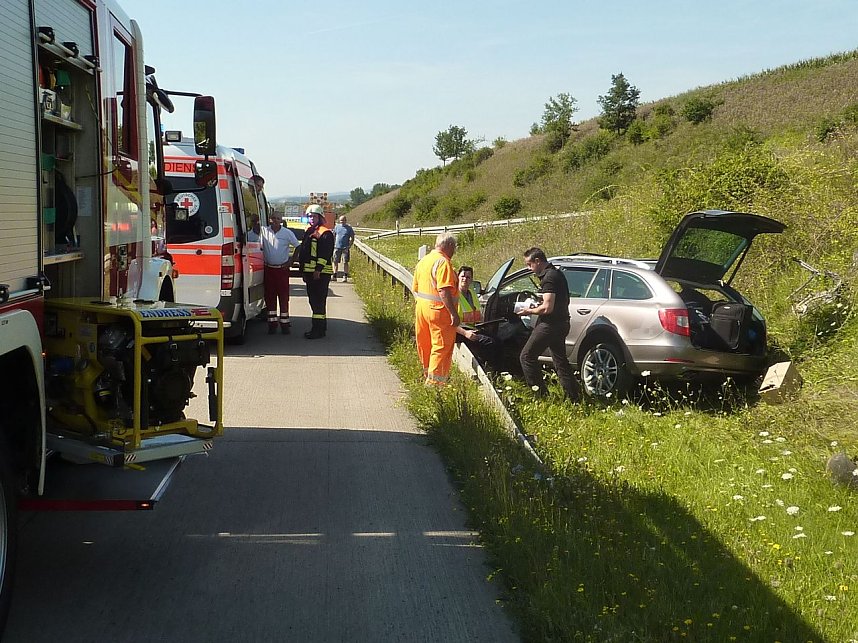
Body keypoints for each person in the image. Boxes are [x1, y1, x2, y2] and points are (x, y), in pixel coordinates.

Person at [515, 247, 580, 400]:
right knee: (560, 360)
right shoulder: (556, 274)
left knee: (526, 357)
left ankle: (541, 396)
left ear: (538, 261)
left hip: (550, 325)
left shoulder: (549, 277)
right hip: (562, 322)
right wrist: (537, 305)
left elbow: (547, 308)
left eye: (529, 264)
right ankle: (573, 397)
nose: (528, 268)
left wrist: (528, 311)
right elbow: (551, 302)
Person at [412, 233, 459, 386]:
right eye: (454, 248)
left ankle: (427, 374)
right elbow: (444, 290)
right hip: (439, 311)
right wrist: (453, 313)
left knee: (425, 343)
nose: (454, 252)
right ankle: (434, 384)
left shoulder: (424, 261)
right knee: (441, 346)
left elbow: (416, 288)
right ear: (450, 246)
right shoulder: (443, 262)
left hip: (422, 309)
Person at [248, 213, 299, 334]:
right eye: (273, 218)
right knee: (270, 297)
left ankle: (285, 324)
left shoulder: (287, 233)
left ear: (281, 220)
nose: (275, 221)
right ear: (269, 220)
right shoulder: (264, 231)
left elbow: (298, 246)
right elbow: (254, 233)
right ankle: (272, 324)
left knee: (283, 296)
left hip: (282, 270)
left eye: (278, 219)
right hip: (268, 269)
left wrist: (291, 261)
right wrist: (254, 221)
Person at [294, 204, 335, 339]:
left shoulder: (325, 232)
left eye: (314, 216)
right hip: (310, 272)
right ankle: (320, 327)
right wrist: (303, 271)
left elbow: (325, 253)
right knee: (314, 301)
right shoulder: (310, 231)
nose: (311, 218)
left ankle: (317, 330)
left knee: (318, 301)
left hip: (320, 274)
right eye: (309, 216)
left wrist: (318, 270)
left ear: (320, 217)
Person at [455, 265, 500, 370]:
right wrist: (466, 333)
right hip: (460, 332)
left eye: (468, 277)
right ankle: (488, 370)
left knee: (498, 340)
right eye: (463, 276)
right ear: (458, 277)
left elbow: (477, 314)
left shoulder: (472, 294)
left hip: (473, 328)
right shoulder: (454, 295)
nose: (465, 279)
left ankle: (498, 371)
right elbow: (449, 322)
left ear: (471, 280)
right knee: (489, 343)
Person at [333, 215, 355, 282]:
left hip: (345, 248)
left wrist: (349, 246)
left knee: (345, 262)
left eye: (343, 220)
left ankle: (345, 276)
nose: (342, 222)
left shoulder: (349, 228)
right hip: (337, 247)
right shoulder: (337, 227)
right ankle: (334, 276)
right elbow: (334, 235)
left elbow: (352, 238)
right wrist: (333, 244)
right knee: (335, 261)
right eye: (341, 220)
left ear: (345, 221)